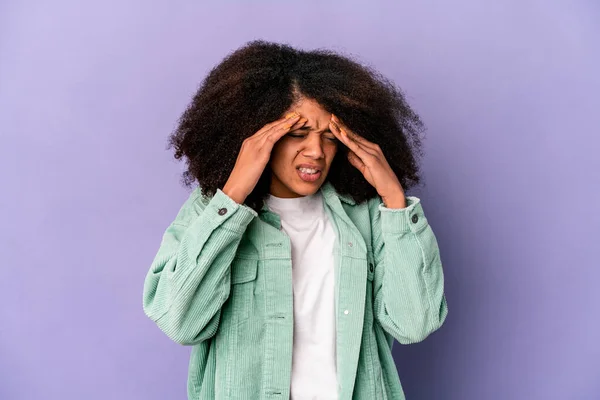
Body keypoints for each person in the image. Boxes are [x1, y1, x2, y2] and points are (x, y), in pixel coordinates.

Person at [142, 40, 448, 400]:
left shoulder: (364, 214)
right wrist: (235, 191)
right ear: (256, 135)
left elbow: (415, 323)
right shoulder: (210, 212)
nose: (316, 152)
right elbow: (180, 321)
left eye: (329, 137)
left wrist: (395, 201)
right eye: (298, 134)